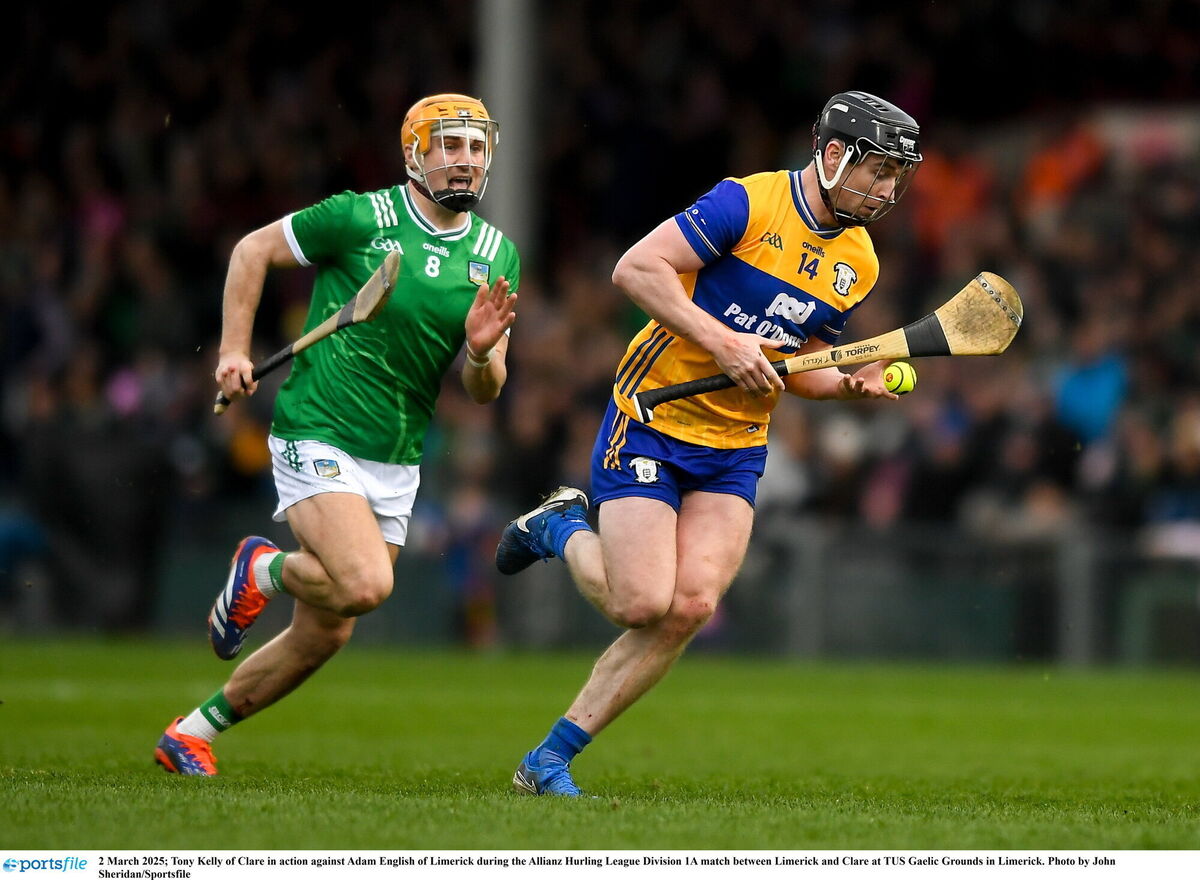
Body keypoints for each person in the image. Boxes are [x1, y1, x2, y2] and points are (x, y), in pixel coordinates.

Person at [496, 91, 923, 795]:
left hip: (736, 443)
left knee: (691, 605)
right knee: (640, 603)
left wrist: (848, 383)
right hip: (653, 417)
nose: (885, 191)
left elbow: (799, 366)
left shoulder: (859, 261)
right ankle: (561, 526)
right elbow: (635, 269)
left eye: (895, 179)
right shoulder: (747, 204)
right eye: (877, 171)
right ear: (833, 153)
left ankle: (548, 760)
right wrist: (722, 341)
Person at [154, 93, 520, 775]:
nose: (464, 162)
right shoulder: (359, 216)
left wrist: (476, 352)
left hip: (396, 456)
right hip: (317, 428)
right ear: (416, 153)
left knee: (327, 632)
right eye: (449, 146)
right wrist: (234, 351)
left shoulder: (497, 254)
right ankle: (261, 567)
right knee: (363, 585)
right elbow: (251, 249)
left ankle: (191, 733)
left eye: (474, 148)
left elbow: (486, 387)